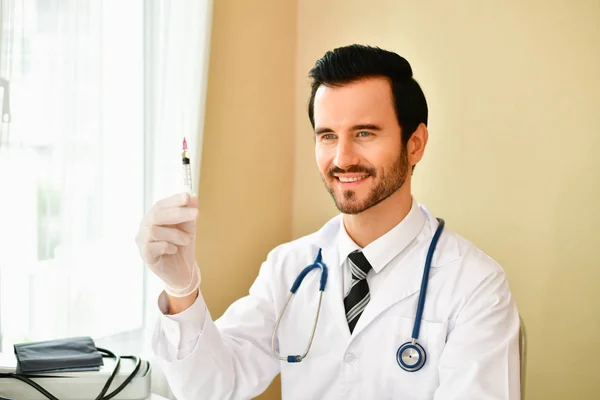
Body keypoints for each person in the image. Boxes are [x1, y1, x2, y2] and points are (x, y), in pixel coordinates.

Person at [136, 44, 521, 399]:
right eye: (327, 135)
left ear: (415, 143)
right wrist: (181, 287)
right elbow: (213, 388)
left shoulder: (475, 286)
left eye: (364, 133)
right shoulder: (289, 268)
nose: (342, 157)